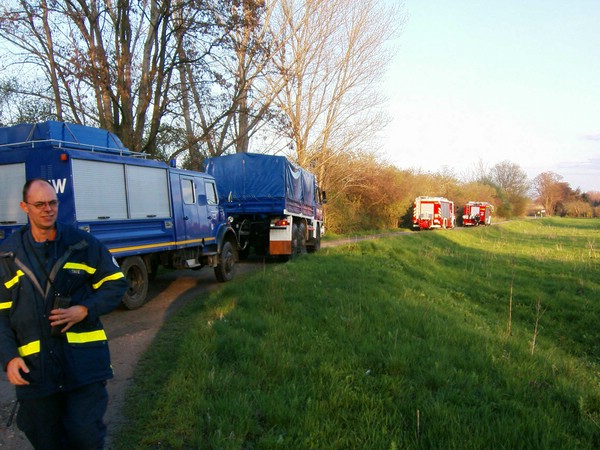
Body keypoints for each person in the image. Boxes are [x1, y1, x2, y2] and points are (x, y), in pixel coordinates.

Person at [0, 178, 128, 449]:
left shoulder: (82, 244)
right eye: (39, 204)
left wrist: (85, 309)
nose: (48, 209)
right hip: (35, 371)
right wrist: (9, 358)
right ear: (25, 207)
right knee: (46, 439)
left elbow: (116, 283)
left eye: (53, 203)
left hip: (83, 365)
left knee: (85, 436)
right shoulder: (7, 256)